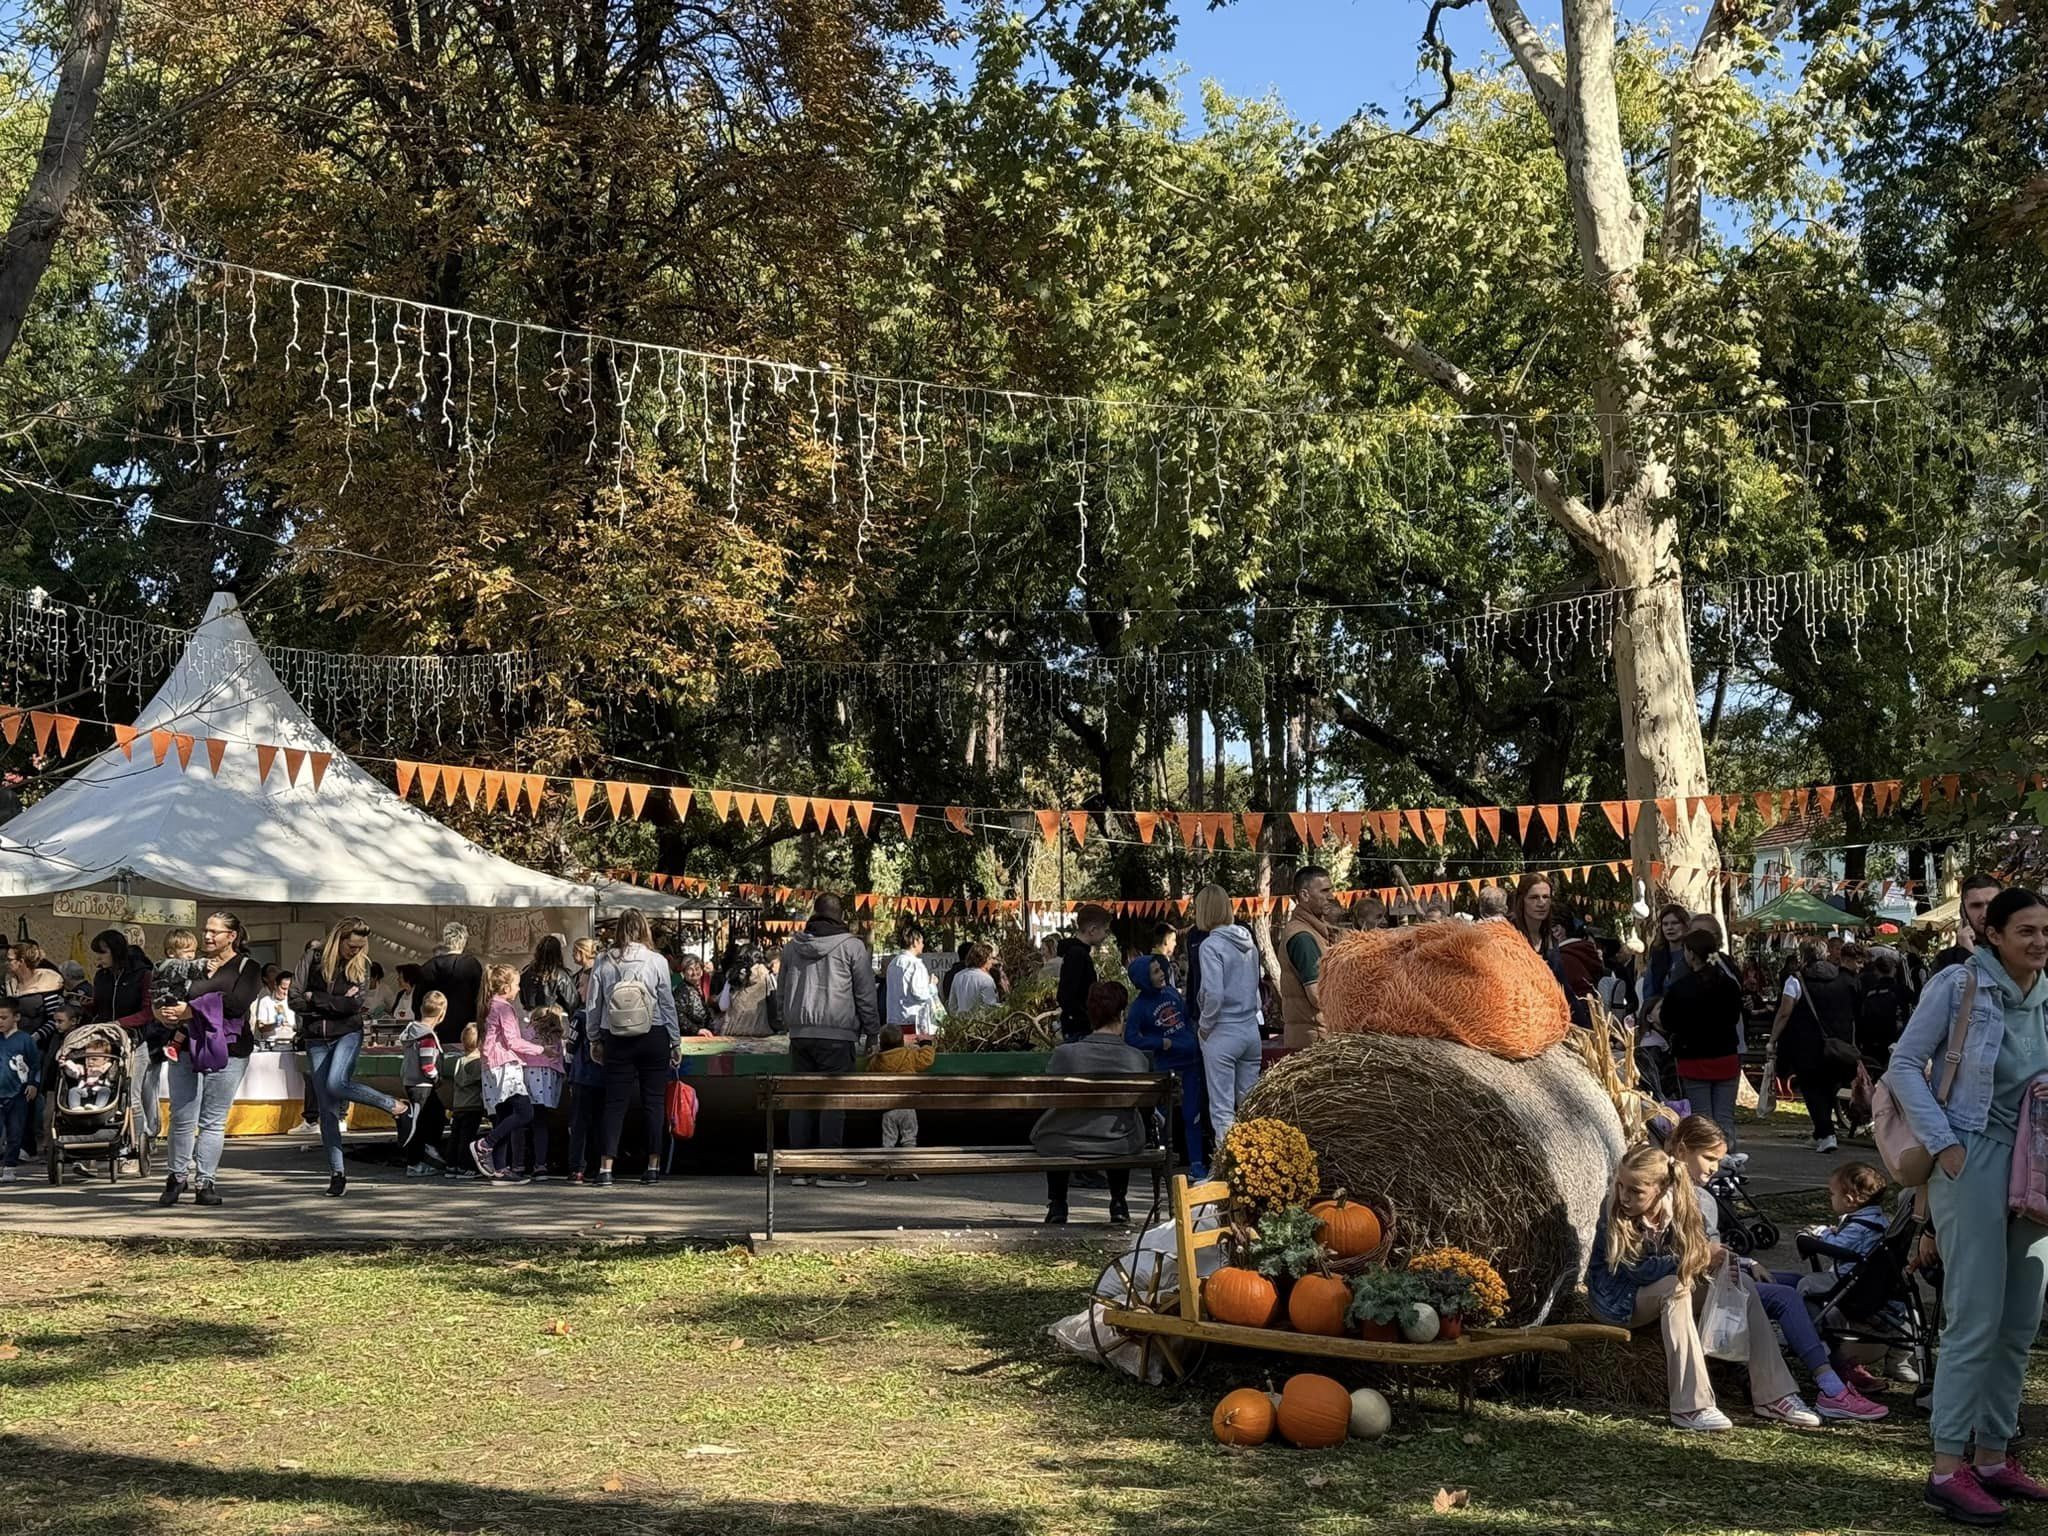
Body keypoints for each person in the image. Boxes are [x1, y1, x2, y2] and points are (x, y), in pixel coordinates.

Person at [1885, 886, 2048, 1523]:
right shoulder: (1959, 986)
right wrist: (1946, 1145)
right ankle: (1948, 1468)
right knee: (1975, 1317)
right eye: (2026, 931)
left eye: (2045, 930)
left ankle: (1992, 1454)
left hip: (2034, 1161)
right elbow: (1903, 1064)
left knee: (2020, 1319)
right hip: (1973, 1154)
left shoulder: (2043, 995)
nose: (2038, 941)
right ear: (1995, 934)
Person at [1586, 1143, 1820, 1432]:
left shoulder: (1684, 1204)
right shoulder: (1614, 1210)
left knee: (1743, 1285)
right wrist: (1696, 1260)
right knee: (1676, 1287)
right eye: (1621, 1185)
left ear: (1661, 1189)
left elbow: (1696, 1249)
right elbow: (1636, 1271)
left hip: (1665, 1283)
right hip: (1617, 1300)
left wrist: (1716, 1259)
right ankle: (1691, 1405)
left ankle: (1774, 1394)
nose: (1624, 1196)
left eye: (1635, 1191)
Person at [1667, 1116, 1887, 1422]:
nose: (1716, 1167)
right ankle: (1830, 1387)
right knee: (1785, 1296)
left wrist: (1745, 1262)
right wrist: (1734, 1262)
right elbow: (1683, 1251)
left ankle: (1832, 1363)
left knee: (1797, 1282)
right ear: (1681, 1150)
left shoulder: (1700, 1195)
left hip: (1718, 1274)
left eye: (1719, 1159)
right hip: (1703, 1280)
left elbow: (1708, 1249)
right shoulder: (1673, 1195)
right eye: (1708, 1158)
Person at [296, 915, 418, 1197]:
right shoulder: (312, 957)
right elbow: (296, 997)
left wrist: (316, 999)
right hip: (316, 1036)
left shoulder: (361, 965)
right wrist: (325, 1002)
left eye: (361, 947)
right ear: (338, 941)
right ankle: (337, 1172)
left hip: (347, 1033)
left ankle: (395, 1106)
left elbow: (354, 1006)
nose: (356, 952)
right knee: (327, 1107)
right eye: (352, 946)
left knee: (336, 1084)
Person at [154, 912, 264, 1208]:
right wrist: (163, 1012)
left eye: (215, 931)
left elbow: (237, 1004)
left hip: (229, 1048)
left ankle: (205, 1182)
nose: (208, 936)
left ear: (232, 936)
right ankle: (176, 1177)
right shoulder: (191, 966)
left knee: (213, 1120)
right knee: (181, 1117)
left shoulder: (247, 967)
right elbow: (165, 992)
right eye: (205, 930)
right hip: (187, 1044)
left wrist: (189, 1010)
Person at [776, 894, 878, 1185]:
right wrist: (872, 1031)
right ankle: (830, 1169)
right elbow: (865, 995)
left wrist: (789, 1023)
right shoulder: (852, 947)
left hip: (801, 1034)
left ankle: (800, 1169)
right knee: (833, 1101)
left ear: (814, 913)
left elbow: (781, 992)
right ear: (840, 915)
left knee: (801, 1101)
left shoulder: (792, 948)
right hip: (838, 1034)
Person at [1035, 982, 1149, 1226]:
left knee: (1056, 1127)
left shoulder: (1065, 1055)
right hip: (1118, 1141)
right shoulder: (1135, 1059)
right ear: (1121, 1015)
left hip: (1065, 1139)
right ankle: (1118, 1201)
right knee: (1121, 1122)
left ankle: (1058, 1203)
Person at [590, 910, 680, 1187]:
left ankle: (606, 1167)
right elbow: (666, 1003)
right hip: (653, 1034)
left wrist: (594, 1037)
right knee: (654, 1102)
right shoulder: (657, 961)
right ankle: (653, 1165)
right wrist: (675, 1040)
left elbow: (594, 1003)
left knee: (615, 1103)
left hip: (616, 1036)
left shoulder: (603, 961)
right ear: (644, 929)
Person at [1768, 940, 1860, 1152]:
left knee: (1811, 1088)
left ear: (1803, 956)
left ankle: (1827, 1134)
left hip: (1806, 1043)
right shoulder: (1842, 978)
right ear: (1826, 954)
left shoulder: (1796, 980)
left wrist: (1773, 1038)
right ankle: (1821, 1133)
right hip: (1838, 1043)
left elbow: (1784, 1011)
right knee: (1829, 1087)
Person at [1123, 954, 1207, 1181]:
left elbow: (1187, 1018)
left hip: (1190, 1062)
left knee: (1193, 1115)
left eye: (1160, 970)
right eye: (1155, 972)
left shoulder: (1171, 993)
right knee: (1163, 1119)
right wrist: (1160, 1043)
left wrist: (1193, 1040)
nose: (1161, 975)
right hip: (1166, 1067)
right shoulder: (1139, 1008)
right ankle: (1163, 1162)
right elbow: (1130, 1037)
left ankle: (1197, 1163)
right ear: (1143, 979)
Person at [1190, 884, 1262, 1145]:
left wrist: (1205, 1026)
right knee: (1250, 1105)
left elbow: (1214, 993)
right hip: (1249, 1028)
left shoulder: (1210, 945)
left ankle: (1228, 1167)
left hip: (1222, 1029)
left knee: (1222, 1109)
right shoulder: (1248, 941)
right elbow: (1256, 985)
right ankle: (1256, 1162)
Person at [1662, 925, 1745, 1151]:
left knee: (1703, 1118)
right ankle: (1730, 1161)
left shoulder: (1681, 988)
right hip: (1726, 1056)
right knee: (1725, 1117)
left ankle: (1708, 1165)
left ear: (1689, 953)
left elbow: (1667, 1020)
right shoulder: (1729, 985)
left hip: (1693, 1058)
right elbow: (1736, 1015)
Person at [473, 965, 551, 1182]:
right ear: (506, 987)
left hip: (492, 1066)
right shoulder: (505, 1008)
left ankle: (500, 1168)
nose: (518, 990)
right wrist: (542, 1050)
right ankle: (485, 1144)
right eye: (516, 985)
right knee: (525, 1112)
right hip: (505, 1066)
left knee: (504, 1117)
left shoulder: (488, 1006)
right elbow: (513, 1041)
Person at [90, 928, 158, 1155]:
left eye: (102, 953)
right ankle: (100, 1145)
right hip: (106, 1042)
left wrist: (119, 1023)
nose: (98, 958)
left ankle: (136, 1149)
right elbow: (99, 1005)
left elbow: (148, 1012)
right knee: (101, 1092)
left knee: (133, 1097)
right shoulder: (101, 976)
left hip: (135, 1042)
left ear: (116, 952)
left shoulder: (142, 974)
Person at [1279, 867, 1339, 1048]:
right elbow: (1317, 995)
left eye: (1331, 890)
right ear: (1304, 895)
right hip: (1313, 1040)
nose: (1331, 896)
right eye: (1324, 891)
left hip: (1314, 1037)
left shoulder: (1313, 931)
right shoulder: (1303, 936)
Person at [868, 1024, 936, 1173]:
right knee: (909, 1137)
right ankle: (910, 1166)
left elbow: (870, 1069)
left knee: (889, 1139)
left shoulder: (878, 1060)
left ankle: (888, 1168)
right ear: (901, 1041)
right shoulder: (909, 1055)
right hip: (907, 1105)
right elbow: (926, 1060)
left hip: (888, 1108)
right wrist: (926, 1043)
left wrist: (875, 1053)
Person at [398, 991, 448, 1177]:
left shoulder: (412, 1031)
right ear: (442, 1013)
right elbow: (427, 1064)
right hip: (423, 1085)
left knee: (434, 1116)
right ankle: (416, 1162)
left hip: (411, 1082)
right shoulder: (427, 1036)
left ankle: (426, 1154)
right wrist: (436, 1078)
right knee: (422, 1124)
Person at [414, 921, 485, 1045]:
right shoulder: (471, 965)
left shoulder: (428, 967)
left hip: (435, 1030)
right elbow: (480, 998)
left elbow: (417, 1002)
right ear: (464, 941)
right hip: (466, 1031)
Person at [1056, 908, 1110, 1043]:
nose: (1105, 936)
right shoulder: (1077, 955)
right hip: (1079, 1030)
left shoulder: (1079, 954)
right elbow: (1066, 995)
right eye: (1105, 931)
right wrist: (1085, 1018)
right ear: (1092, 930)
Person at [0, 1000, 38, 1183]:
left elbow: (35, 1064)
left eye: (4, 1017)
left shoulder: (25, 1039)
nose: (0, 1021)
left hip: (18, 1094)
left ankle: (10, 1167)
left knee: (15, 1132)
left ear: (16, 1017)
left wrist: (33, 1084)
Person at [885, 922, 941, 1043]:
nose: (923, 944)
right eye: (921, 941)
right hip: (913, 1020)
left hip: (894, 1019)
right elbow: (919, 993)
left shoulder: (893, 963)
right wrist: (932, 986)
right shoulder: (915, 964)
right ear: (915, 942)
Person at [1856, 948, 1911, 1071]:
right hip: (1898, 1040)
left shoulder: (1869, 992)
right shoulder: (1903, 991)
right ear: (1894, 970)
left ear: (1876, 971)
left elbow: (1862, 1017)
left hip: (1873, 1043)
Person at [447, 1023, 484, 1179]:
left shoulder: (460, 1060)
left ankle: (451, 1165)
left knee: (455, 1136)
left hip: (459, 1105)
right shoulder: (477, 1062)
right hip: (473, 1105)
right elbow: (480, 1080)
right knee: (467, 1138)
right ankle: (465, 1167)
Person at [1641, 904, 1690, 1020]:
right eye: (1665, 924)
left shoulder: (1692, 953)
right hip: (1659, 1016)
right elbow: (1649, 989)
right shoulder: (1657, 954)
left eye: (1675, 923)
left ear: (1685, 925)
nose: (1669, 928)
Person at [519, 935, 577, 1019]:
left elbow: (523, 1000)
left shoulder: (526, 973)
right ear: (558, 953)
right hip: (555, 1020)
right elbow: (572, 1002)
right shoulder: (561, 975)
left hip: (533, 1018)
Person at [1509, 874, 1557, 960]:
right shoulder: (1508, 939)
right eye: (1534, 897)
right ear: (1522, 901)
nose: (1542, 903)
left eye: (1546, 897)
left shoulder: (1552, 940)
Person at [946, 943, 1000, 1018]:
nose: (992, 962)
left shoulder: (958, 976)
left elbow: (952, 1006)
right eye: (990, 958)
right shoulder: (986, 979)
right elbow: (990, 1006)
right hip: (981, 1024)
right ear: (984, 959)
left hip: (961, 1025)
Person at [251, 965, 296, 1049]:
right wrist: (275, 1024)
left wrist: (292, 1026)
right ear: (276, 985)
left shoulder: (293, 1001)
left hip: (292, 1043)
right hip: (272, 1044)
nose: (286, 993)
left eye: (289, 989)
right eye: (283, 988)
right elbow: (261, 1028)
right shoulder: (265, 1001)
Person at [674, 955, 714, 1036]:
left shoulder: (697, 988)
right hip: (689, 1038)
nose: (695, 973)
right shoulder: (681, 990)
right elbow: (678, 1016)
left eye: (697, 969)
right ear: (684, 972)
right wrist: (697, 1030)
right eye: (690, 969)